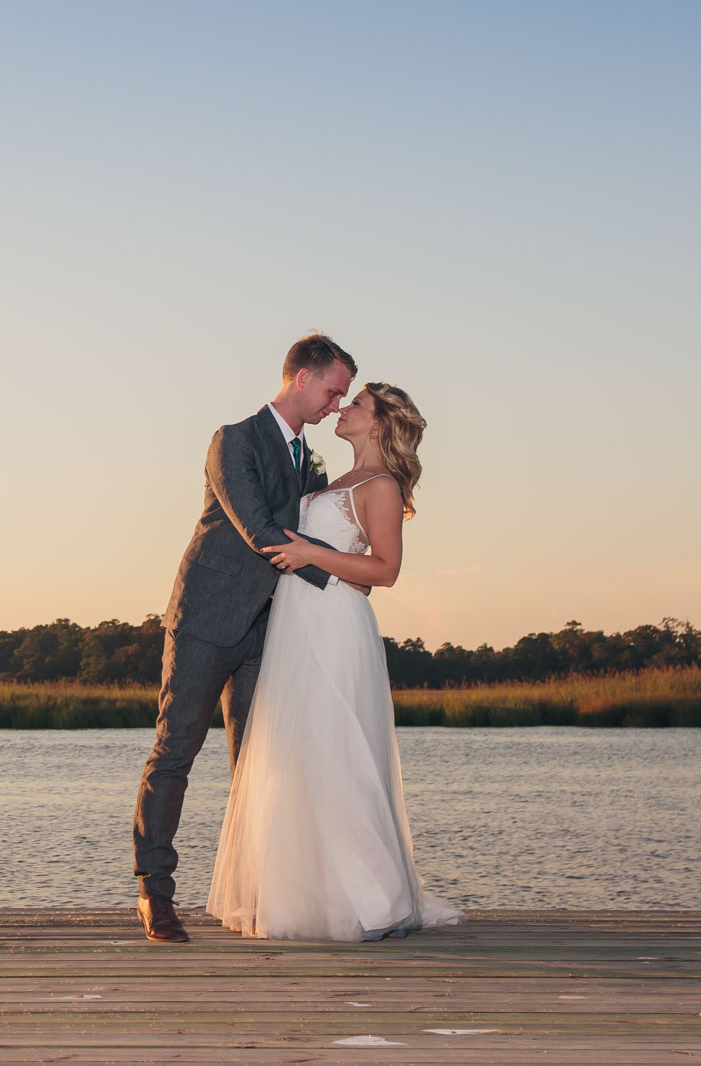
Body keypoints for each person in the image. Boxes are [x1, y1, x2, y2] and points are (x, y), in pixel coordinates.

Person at [207, 381, 462, 941]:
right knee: (302, 757)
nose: (342, 410)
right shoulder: (332, 480)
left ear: (379, 423)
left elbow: (385, 570)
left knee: (337, 752)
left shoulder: (382, 485)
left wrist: (308, 553)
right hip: (296, 624)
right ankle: (309, 895)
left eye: (357, 404)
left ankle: (377, 898)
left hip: (334, 628)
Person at [131, 334, 357, 943]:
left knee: (259, 765)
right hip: (206, 620)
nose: (337, 404)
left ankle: (255, 893)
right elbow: (259, 529)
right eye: (334, 390)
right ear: (303, 377)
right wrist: (346, 578)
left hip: (270, 628)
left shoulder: (309, 457)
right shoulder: (232, 440)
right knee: (175, 752)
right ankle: (155, 896)